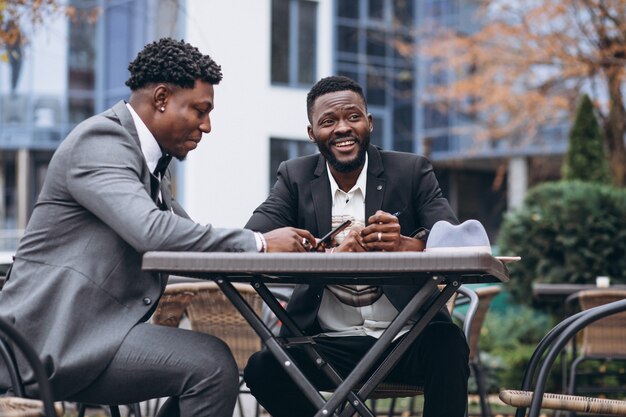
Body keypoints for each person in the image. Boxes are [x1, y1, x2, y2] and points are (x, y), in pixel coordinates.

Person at [0, 38, 315, 417]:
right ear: (162, 97)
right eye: (199, 110)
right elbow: (155, 233)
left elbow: (185, 240)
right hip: (44, 345)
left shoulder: (147, 165)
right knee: (210, 365)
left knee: (210, 362)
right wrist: (261, 243)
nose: (208, 125)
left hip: (90, 338)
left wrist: (289, 250)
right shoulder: (100, 141)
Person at [243, 75, 470, 417]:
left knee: (450, 345)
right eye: (328, 121)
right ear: (311, 133)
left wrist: (405, 245)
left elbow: (455, 240)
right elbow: (254, 238)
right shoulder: (295, 177)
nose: (342, 129)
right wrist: (330, 255)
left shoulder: (411, 170)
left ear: (369, 123)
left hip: (407, 339)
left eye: (353, 117)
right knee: (263, 367)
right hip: (327, 345)